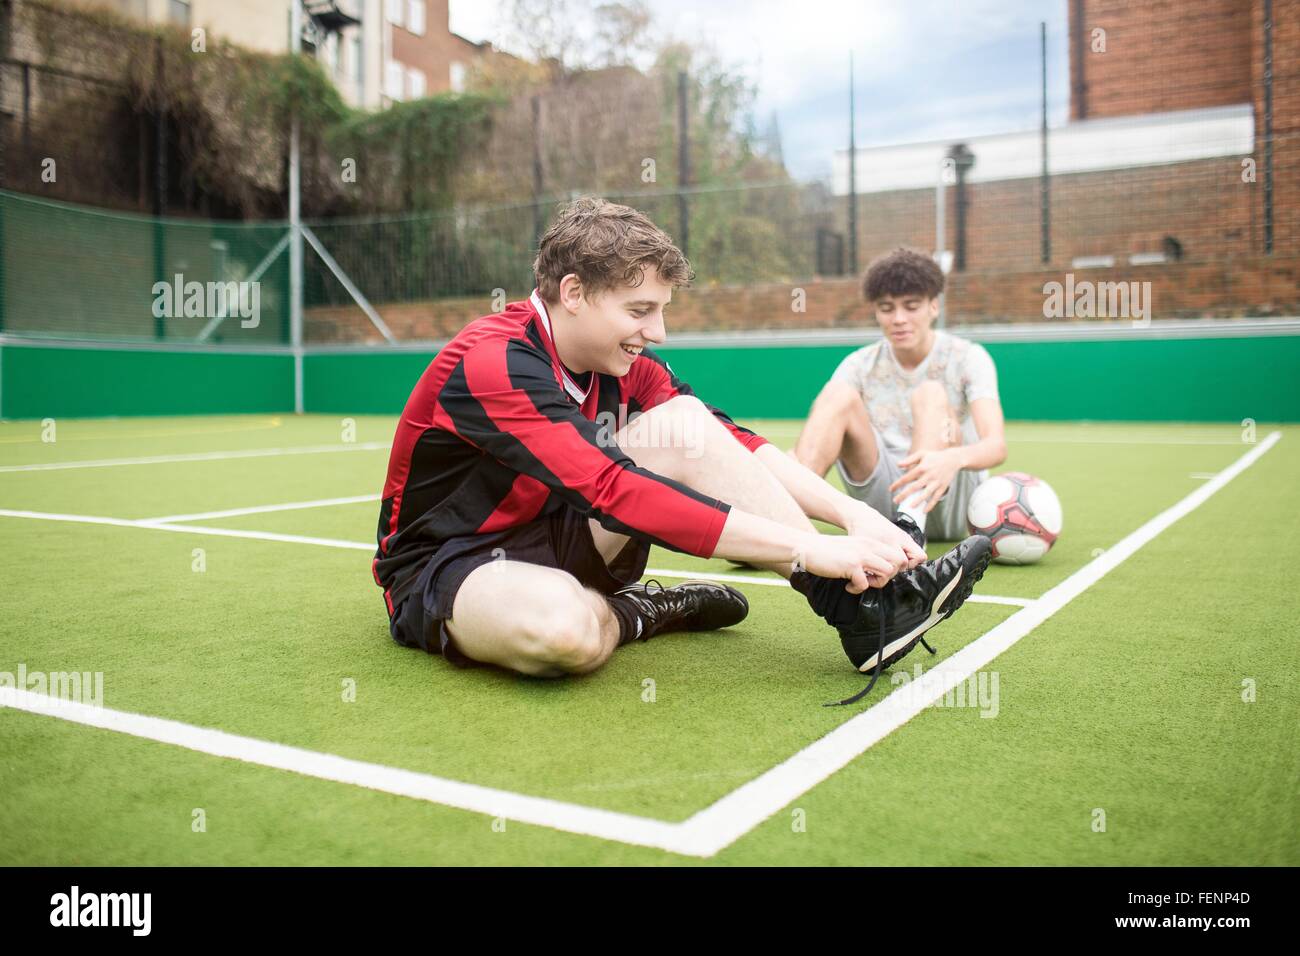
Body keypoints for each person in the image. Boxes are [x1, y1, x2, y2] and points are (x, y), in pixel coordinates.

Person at [374, 201, 990, 697]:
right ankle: (644, 611)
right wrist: (810, 546)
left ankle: (863, 612)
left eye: (662, 311)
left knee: (689, 422)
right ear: (573, 292)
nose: (658, 332)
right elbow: (610, 489)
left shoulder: (617, 360)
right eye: (640, 310)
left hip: (558, 531)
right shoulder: (494, 361)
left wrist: (854, 516)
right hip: (452, 562)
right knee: (564, 636)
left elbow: (729, 442)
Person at [793, 248, 1008, 545]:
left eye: (911, 306)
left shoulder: (969, 357)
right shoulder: (859, 364)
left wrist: (952, 458)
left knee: (931, 391)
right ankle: (785, 517)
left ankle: (911, 525)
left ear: (933, 307)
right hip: (882, 500)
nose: (898, 319)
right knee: (836, 394)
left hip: (947, 495)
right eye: (886, 308)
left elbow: (996, 446)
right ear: (876, 312)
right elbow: (821, 428)